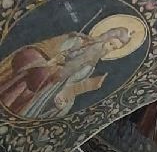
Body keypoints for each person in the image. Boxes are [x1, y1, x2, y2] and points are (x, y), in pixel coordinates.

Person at [0, 23, 136, 119]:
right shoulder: (79, 41)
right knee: (12, 95)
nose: (108, 49)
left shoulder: (90, 67)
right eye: (111, 44)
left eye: (114, 48)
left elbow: (70, 86)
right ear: (105, 38)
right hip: (35, 76)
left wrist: (65, 99)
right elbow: (50, 50)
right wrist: (55, 60)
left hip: (48, 91)